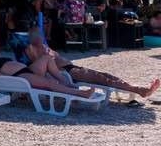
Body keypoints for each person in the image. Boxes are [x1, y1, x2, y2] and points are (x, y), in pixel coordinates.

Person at [24, 27, 159, 100]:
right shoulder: (32, 49)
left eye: (40, 33)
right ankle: (140, 90)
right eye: (37, 34)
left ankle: (136, 88)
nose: (40, 36)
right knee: (103, 79)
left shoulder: (44, 46)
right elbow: (39, 67)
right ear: (32, 37)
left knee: (106, 76)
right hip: (68, 72)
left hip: (72, 68)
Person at [0, 44, 94, 98]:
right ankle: (80, 93)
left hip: (27, 70)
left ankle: (66, 83)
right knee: (49, 83)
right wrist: (9, 79)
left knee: (47, 58)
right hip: (20, 76)